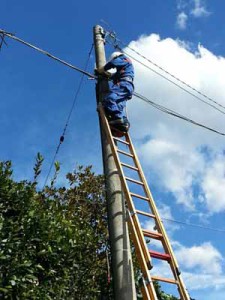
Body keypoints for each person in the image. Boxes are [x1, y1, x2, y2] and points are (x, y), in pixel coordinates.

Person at [97, 51, 134, 132]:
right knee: (118, 105)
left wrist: (102, 69)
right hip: (127, 86)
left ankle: (118, 118)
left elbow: (113, 63)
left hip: (123, 84)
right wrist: (108, 75)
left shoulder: (123, 58)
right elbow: (116, 75)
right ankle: (122, 123)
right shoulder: (124, 68)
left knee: (109, 99)